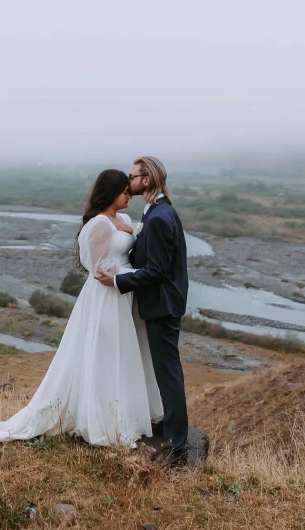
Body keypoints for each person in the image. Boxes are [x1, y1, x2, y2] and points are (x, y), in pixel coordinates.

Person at [0, 169, 162, 448]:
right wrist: (120, 275)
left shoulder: (124, 219)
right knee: (104, 352)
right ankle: (103, 420)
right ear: (111, 193)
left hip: (125, 293)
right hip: (106, 294)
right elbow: (95, 266)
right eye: (125, 192)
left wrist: (128, 267)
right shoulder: (98, 225)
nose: (129, 195)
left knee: (124, 352)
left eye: (129, 191)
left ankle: (124, 414)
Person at [96, 156, 190, 467]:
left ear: (146, 180)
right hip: (161, 303)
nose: (130, 181)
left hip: (162, 305)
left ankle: (177, 442)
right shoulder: (157, 212)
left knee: (168, 373)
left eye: (133, 176)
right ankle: (170, 428)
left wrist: (118, 280)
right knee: (163, 370)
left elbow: (157, 271)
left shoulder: (161, 216)